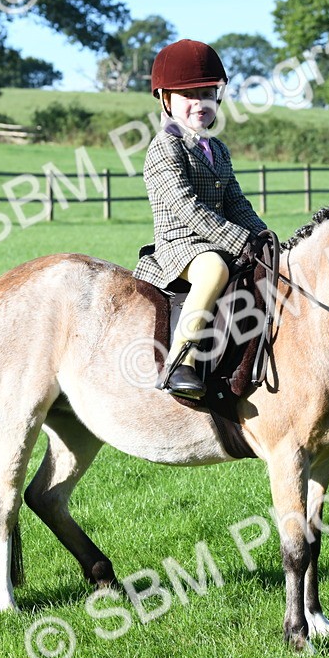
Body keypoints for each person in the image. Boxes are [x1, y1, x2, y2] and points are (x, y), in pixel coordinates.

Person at [133, 39, 268, 400]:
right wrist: (238, 240)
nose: (199, 103)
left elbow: (235, 202)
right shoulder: (165, 146)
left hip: (217, 242)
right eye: (188, 95)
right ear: (166, 99)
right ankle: (181, 361)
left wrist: (263, 236)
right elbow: (187, 207)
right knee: (214, 270)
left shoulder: (217, 148)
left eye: (206, 94)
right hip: (181, 246)